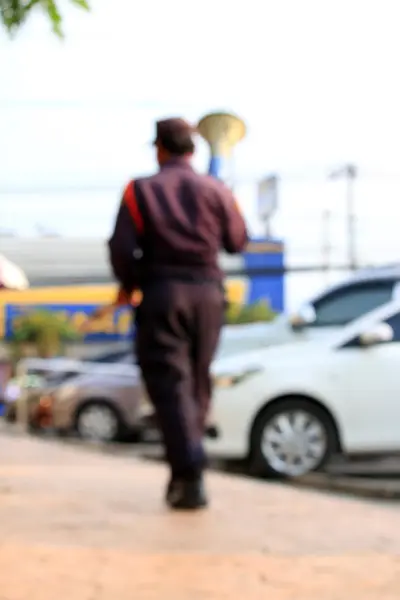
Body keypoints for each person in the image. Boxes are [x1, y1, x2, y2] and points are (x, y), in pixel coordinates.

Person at [108, 117, 248, 510]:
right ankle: (185, 472)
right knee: (196, 384)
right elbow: (238, 241)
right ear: (193, 150)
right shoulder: (217, 190)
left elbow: (121, 249)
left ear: (159, 149)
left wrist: (131, 282)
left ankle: (190, 470)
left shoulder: (139, 191)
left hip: (162, 294)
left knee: (170, 386)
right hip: (208, 296)